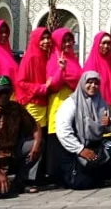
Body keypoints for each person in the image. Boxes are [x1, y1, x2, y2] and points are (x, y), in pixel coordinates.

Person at [55, 71, 111, 190]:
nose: (93, 86)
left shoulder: (101, 102)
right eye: (89, 82)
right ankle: (73, 176)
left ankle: (97, 174)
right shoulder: (71, 103)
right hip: (74, 149)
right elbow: (63, 130)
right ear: (82, 83)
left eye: (96, 83)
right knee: (82, 184)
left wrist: (109, 123)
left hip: (95, 145)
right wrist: (80, 150)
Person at [15, 27, 53, 185]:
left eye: (47, 38)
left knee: (41, 139)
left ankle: (37, 176)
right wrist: (42, 88)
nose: (46, 41)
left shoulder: (47, 56)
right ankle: (28, 178)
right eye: (42, 38)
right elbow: (21, 82)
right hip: (32, 104)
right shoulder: (30, 57)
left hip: (44, 104)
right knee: (33, 140)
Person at [46, 27, 82, 186]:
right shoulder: (54, 60)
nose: (68, 44)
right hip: (59, 102)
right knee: (57, 136)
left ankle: (69, 172)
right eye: (64, 41)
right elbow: (53, 85)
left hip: (74, 102)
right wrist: (61, 71)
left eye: (70, 40)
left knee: (70, 134)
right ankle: (55, 175)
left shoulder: (73, 59)